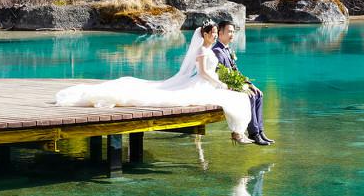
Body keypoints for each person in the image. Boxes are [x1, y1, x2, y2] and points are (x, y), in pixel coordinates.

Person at [54, 22, 254, 144]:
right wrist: (219, 83)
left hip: (208, 84)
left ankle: (240, 133)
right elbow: (202, 72)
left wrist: (220, 81)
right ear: (205, 35)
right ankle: (238, 133)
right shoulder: (202, 50)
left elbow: (211, 71)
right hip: (203, 84)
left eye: (213, 33)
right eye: (210, 33)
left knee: (237, 99)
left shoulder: (210, 50)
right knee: (232, 99)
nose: (213, 35)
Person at [212, 20, 274, 146]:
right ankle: (253, 133)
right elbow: (222, 76)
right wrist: (241, 88)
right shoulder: (217, 50)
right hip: (223, 87)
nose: (232, 34)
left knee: (258, 94)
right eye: (229, 31)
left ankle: (260, 131)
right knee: (249, 96)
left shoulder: (227, 49)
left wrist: (250, 84)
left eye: (233, 32)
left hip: (233, 83)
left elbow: (236, 72)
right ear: (220, 33)